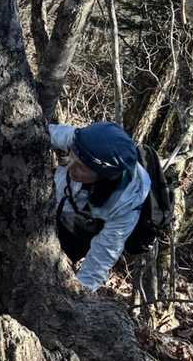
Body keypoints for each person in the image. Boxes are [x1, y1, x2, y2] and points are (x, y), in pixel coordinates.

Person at [49, 121, 150, 291]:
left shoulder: (126, 202)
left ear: (105, 175)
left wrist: (79, 294)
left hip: (77, 232)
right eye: (72, 155)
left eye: (82, 167)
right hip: (51, 208)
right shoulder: (82, 142)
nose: (71, 166)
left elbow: (102, 256)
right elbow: (38, 132)